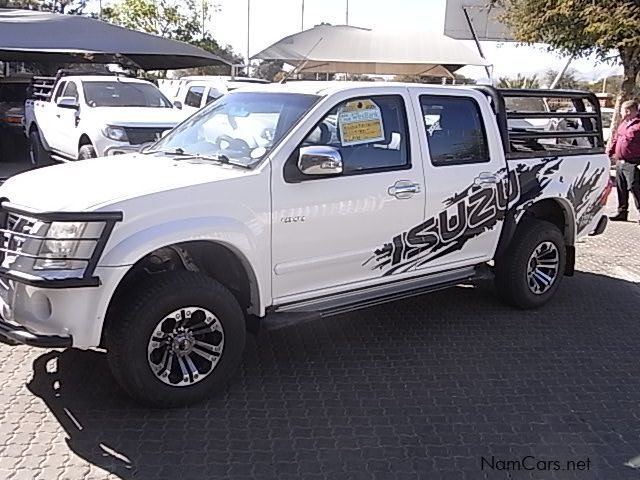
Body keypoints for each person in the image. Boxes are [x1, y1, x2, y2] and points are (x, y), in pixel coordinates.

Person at [608, 100, 640, 222]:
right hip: (620, 161)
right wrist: (609, 153)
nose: (620, 113)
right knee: (621, 187)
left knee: (634, 187)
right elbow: (616, 139)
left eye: (621, 110)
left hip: (633, 162)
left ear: (627, 111)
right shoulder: (624, 124)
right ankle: (622, 212)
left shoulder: (638, 126)